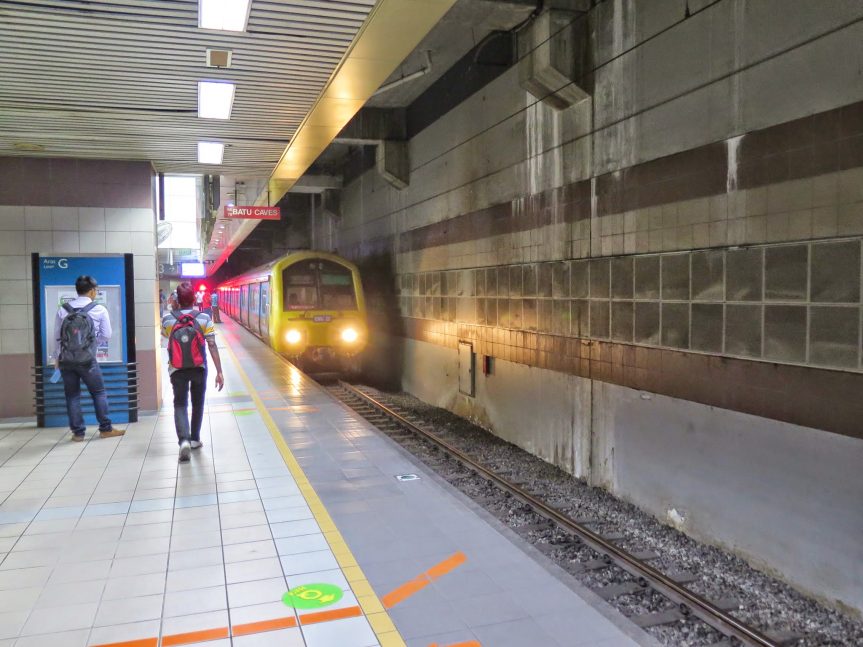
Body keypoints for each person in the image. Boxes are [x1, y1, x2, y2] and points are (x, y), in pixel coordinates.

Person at [54, 275, 125, 441]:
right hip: (88, 361)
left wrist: (56, 357)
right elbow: (106, 335)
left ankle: (78, 433)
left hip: (66, 360)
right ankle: (105, 429)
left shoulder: (63, 309)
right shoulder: (99, 309)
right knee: (98, 392)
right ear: (92, 291)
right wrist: (91, 344)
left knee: (72, 396)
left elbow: (57, 337)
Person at [161, 281, 224, 462]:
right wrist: (219, 372)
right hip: (199, 367)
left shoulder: (167, 319)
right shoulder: (204, 318)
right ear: (194, 299)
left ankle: (183, 441)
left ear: (177, 299)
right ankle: (195, 438)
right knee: (198, 402)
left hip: (177, 369)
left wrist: (174, 308)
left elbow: (166, 338)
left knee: (180, 403)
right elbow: (211, 344)